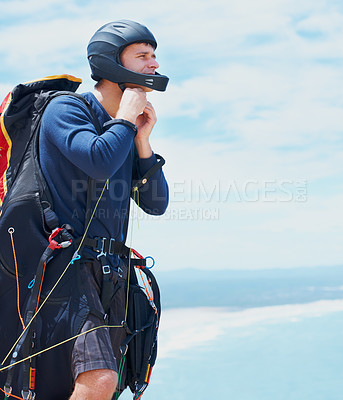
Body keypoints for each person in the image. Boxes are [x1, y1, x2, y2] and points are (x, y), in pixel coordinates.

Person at [38, 20, 169, 399]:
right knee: (99, 380)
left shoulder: (124, 134)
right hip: (64, 270)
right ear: (112, 63)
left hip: (110, 276)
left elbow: (156, 203)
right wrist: (126, 120)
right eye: (142, 56)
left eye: (154, 56)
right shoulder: (65, 109)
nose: (153, 65)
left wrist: (142, 140)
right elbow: (97, 159)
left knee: (103, 385)